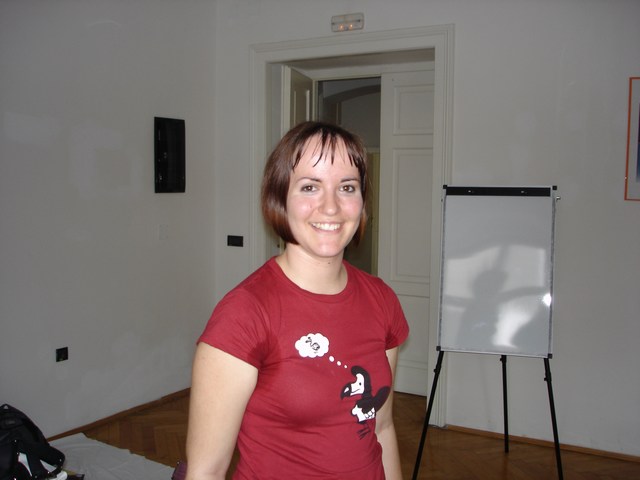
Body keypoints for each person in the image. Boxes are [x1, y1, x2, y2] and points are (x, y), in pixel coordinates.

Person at [186, 121, 409, 480]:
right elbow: (206, 471)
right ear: (279, 199)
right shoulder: (245, 314)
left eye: (347, 187)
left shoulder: (381, 300)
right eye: (310, 187)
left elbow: (381, 427)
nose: (331, 207)